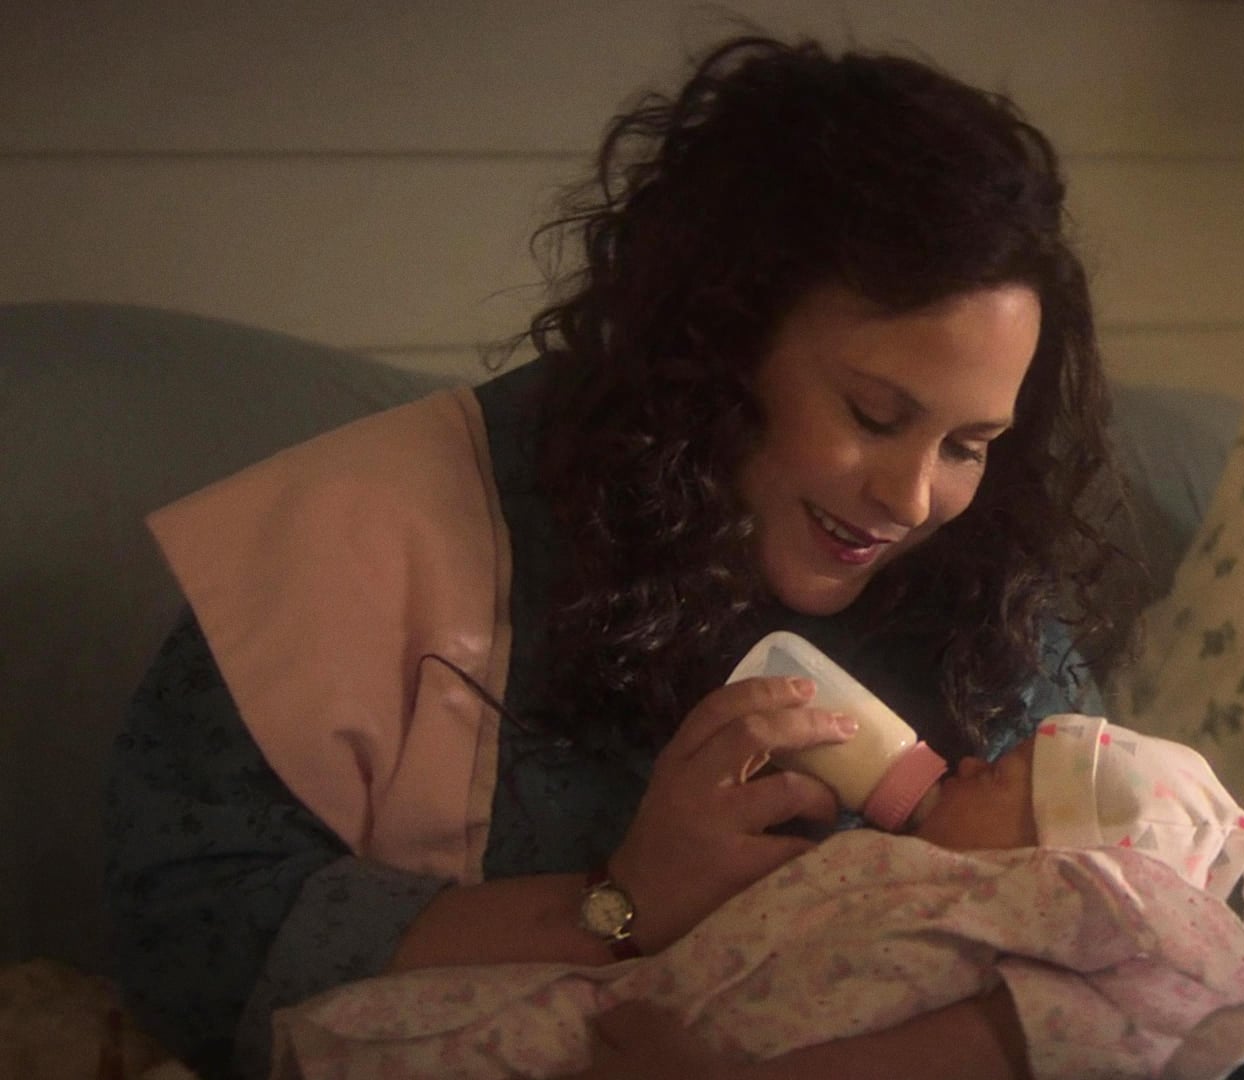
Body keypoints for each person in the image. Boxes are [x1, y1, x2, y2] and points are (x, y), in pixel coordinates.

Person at [104, 34, 1144, 1080]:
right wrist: (619, 900)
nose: (913, 501)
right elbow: (192, 944)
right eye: (874, 415)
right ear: (718, 344)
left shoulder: (982, 598)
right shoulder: (390, 527)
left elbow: (1151, 956)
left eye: (969, 445)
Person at [272, 717, 1244, 1080]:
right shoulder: (916, 876)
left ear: (1073, 856)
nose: (968, 757)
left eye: (1001, 773)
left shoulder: (1071, 910)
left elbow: (1208, 973)